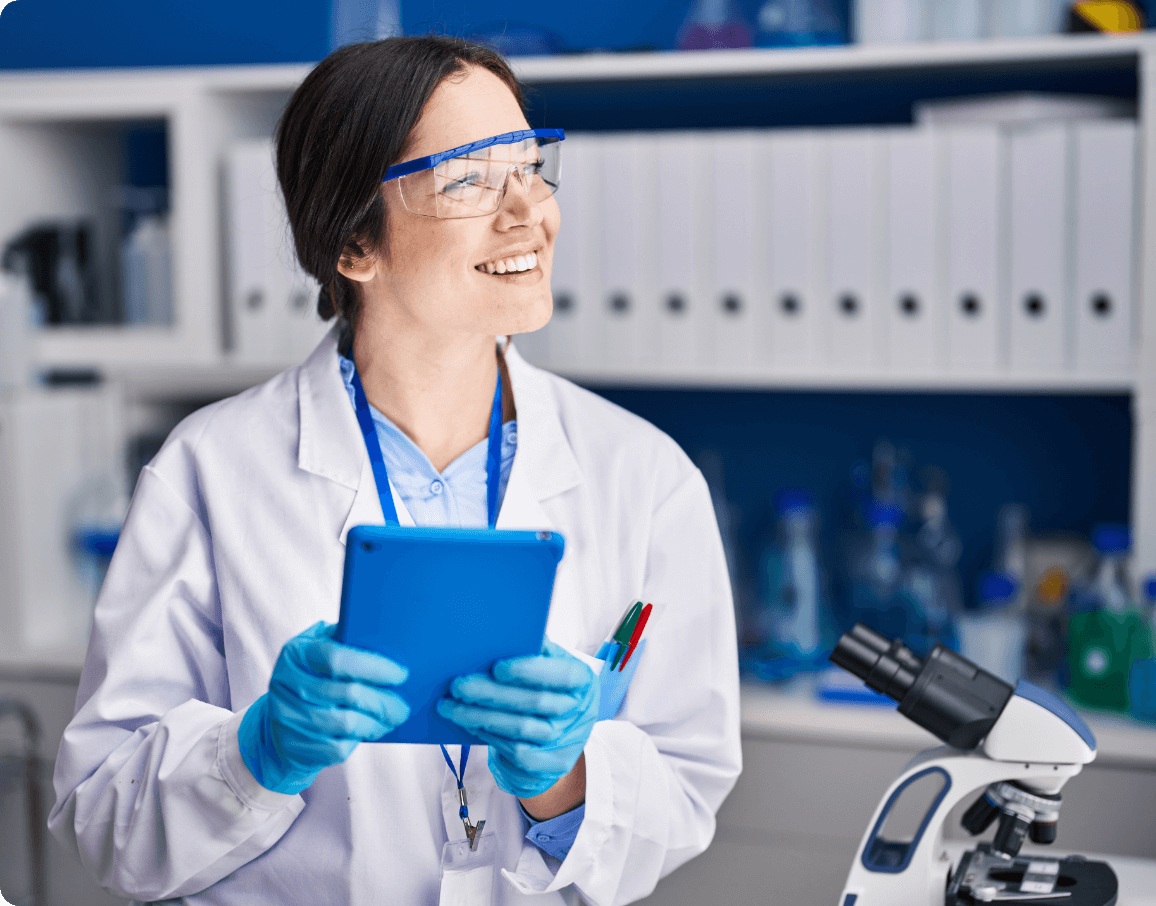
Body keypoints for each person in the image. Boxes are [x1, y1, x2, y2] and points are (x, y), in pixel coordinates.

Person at [48, 35, 741, 905]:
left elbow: (686, 792)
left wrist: (567, 780)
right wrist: (258, 754)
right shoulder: (210, 472)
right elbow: (102, 823)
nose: (528, 210)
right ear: (353, 247)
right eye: (471, 179)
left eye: (531, 166)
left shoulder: (642, 474)